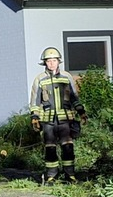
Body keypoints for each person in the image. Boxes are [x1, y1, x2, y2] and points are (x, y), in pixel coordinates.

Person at [29, 46, 85, 182]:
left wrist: (82, 113)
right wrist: (34, 117)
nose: (52, 63)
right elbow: (35, 100)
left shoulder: (67, 77)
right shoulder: (39, 79)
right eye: (49, 61)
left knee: (68, 147)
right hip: (48, 121)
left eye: (54, 60)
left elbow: (74, 97)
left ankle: (70, 175)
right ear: (45, 63)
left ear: (58, 61)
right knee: (50, 148)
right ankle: (51, 176)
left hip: (65, 119)